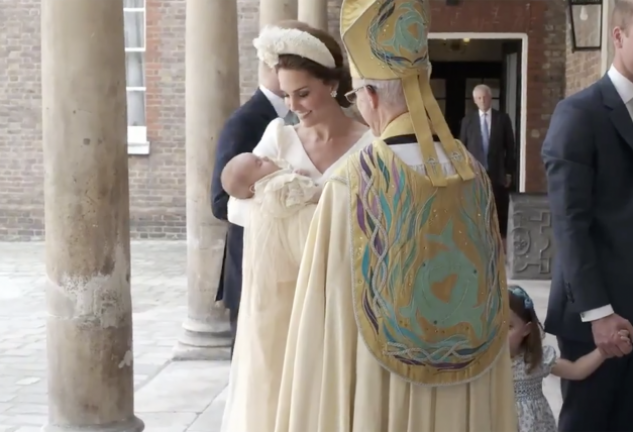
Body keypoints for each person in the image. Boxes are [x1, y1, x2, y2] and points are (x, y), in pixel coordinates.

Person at [273, 1, 517, 431]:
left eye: (355, 96)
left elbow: (323, 327)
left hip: (378, 392)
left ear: (368, 95)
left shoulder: (351, 183)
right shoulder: (473, 174)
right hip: (463, 382)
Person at [219, 20, 373, 432]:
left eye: (304, 93)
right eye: (287, 95)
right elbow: (235, 207)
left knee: (334, 392)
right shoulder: (277, 136)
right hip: (282, 294)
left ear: (333, 83)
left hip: (343, 293)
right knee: (277, 389)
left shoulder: (372, 144)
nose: (295, 106)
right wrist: (294, 208)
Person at [541, 2, 633, 431]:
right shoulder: (579, 113)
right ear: (619, 37)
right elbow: (569, 224)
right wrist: (599, 314)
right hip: (600, 317)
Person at [211, 30, 296, 356]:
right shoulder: (245, 122)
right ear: (279, 67)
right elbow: (220, 202)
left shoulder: (296, 116)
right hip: (251, 268)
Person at [508, 285, 631, 432]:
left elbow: (576, 370)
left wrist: (603, 352)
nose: (499, 335)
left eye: (509, 327)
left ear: (526, 329)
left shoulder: (536, 359)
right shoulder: (487, 365)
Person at [459, 84, 515, 240]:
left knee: (497, 206)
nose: (482, 100)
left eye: (485, 97)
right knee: (476, 204)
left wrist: (509, 171)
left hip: (497, 172)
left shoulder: (502, 119)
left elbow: (510, 147)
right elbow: (461, 148)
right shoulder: (468, 121)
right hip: (475, 172)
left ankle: (498, 237)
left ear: (490, 98)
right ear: (474, 101)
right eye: (479, 98)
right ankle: (477, 236)